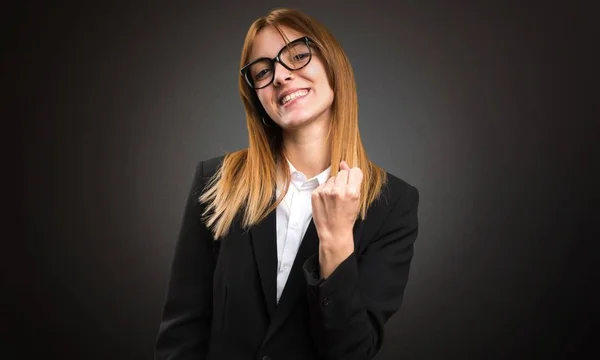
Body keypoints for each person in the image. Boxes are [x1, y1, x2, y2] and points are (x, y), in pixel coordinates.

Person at [154, 7, 419, 360]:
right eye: (263, 71)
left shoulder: (393, 204)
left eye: (297, 56)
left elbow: (352, 352)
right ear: (257, 98)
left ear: (332, 65)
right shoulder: (216, 181)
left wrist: (337, 240)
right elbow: (182, 332)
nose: (280, 76)